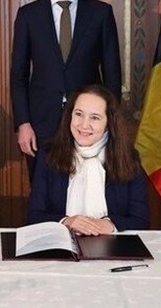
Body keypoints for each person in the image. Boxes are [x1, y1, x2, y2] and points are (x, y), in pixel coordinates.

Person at [10, 0, 122, 180]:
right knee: (44, 195)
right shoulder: (28, 15)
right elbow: (18, 75)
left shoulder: (100, 13)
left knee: (87, 194)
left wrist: (109, 122)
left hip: (88, 124)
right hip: (41, 124)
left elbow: (112, 73)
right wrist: (23, 123)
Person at [26, 84, 149, 234]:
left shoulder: (129, 159)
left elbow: (141, 220)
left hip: (112, 249)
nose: (84, 125)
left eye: (95, 118)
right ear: (69, 116)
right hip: (62, 249)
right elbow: (34, 216)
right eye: (78, 114)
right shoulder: (48, 155)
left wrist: (109, 225)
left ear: (108, 124)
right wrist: (67, 222)